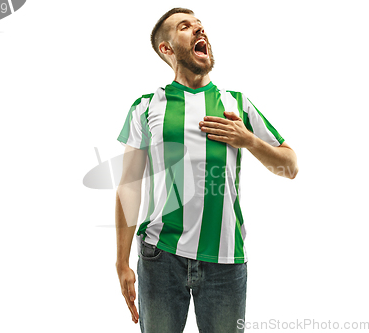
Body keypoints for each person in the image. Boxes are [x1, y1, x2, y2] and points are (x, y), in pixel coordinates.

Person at [115, 7, 298, 333]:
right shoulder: (146, 106)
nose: (200, 31)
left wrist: (249, 140)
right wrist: (121, 263)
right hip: (160, 257)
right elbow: (129, 186)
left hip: (226, 260)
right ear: (167, 49)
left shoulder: (236, 103)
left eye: (201, 26)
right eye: (186, 27)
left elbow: (290, 166)